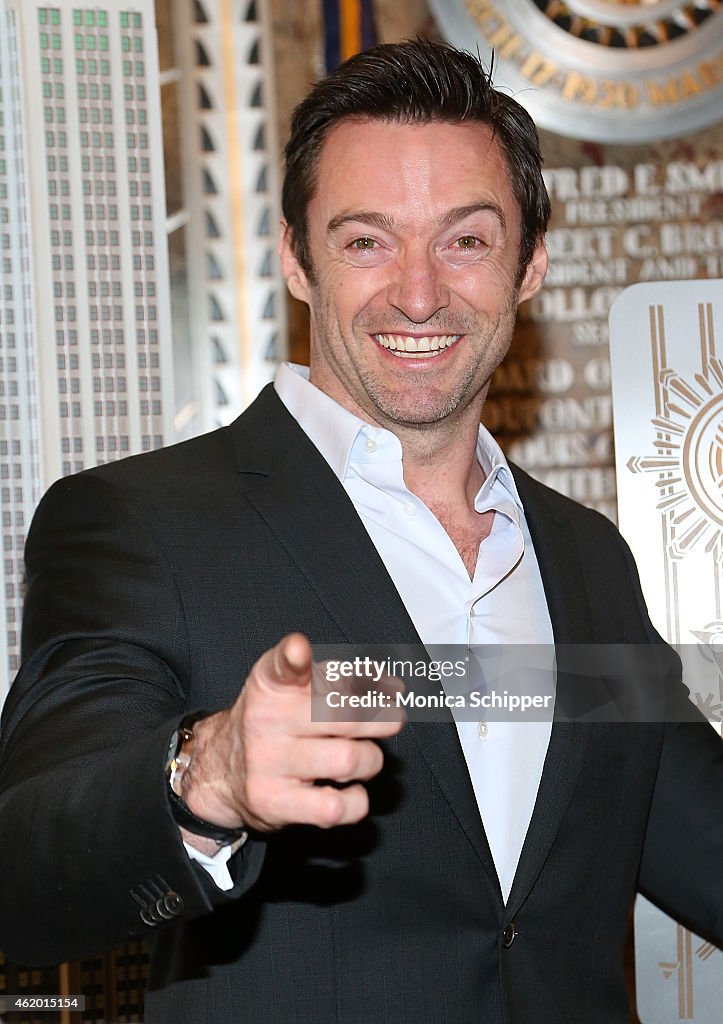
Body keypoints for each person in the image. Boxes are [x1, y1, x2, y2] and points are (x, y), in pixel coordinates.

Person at [0, 39, 721, 1024]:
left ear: (532, 263)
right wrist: (202, 777)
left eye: (466, 239)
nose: (418, 293)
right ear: (298, 259)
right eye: (366, 241)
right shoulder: (141, 524)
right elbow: (24, 875)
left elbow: (700, 836)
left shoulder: (587, 557)